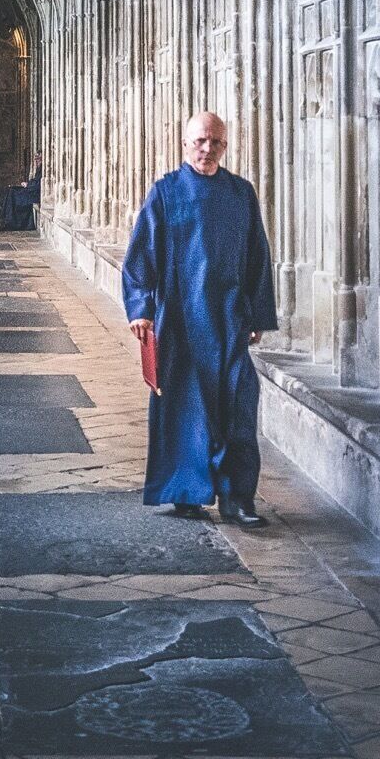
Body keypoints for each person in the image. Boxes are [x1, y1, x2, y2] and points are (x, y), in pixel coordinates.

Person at [122, 112, 276, 527]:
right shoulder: (165, 193)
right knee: (185, 409)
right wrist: (141, 310)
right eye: (201, 141)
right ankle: (184, 491)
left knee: (239, 406)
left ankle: (238, 498)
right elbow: (140, 256)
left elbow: (258, 257)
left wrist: (259, 312)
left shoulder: (241, 194)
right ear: (185, 143)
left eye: (216, 143)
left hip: (228, 320)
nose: (208, 149)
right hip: (180, 322)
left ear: (225, 147)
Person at [0, 163, 41, 232]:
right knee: (11, 190)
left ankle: (7, 218)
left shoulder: (44, 169)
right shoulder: (39, 168)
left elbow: (38, 184)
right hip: (31, 190)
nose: (36, 161)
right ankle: (4, 214)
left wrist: (28, 184)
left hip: (34, 194)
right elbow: (35, 181)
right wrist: (28, 184)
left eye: (38, 158)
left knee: (13, 194)